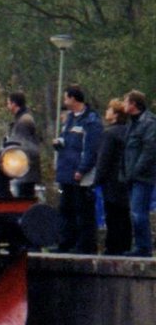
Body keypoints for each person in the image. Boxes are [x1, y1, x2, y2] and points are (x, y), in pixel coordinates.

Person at [54, 84, 102, 254]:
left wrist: (82, 169)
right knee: (66, 209)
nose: (64, 101)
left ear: (73, 99)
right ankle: (66, 242)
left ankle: (85, 246)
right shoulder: (71, 119)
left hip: (80, 174)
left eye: (66, 97)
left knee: (83, 211)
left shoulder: (91, 121)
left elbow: (91, 149)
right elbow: (67, 139)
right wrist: (59, 143)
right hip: (66, 172)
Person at [122, 90, 156, 257]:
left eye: (126, 101)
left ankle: (143, 247)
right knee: (135, 212)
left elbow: (149, 150)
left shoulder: (148, 123)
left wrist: (135, 171)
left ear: (133, 104)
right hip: (131, 175)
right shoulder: (132, 123)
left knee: (138, 213)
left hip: (142, 176)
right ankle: (140, 245)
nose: (123, 105)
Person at [96, 98, 133, 255]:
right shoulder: (130, 131)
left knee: (112, 214)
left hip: (112, 180)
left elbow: (104, 160)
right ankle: (126, 245)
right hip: (126, 179)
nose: (106, 112)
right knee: (125, 214)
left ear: (116, 114)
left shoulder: (109, 134)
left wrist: (97, 180)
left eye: (109, 109)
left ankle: (112, 246)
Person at [4, 92, 41, 199]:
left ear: (14, 104)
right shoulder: (22, 119)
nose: (8, 106)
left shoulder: (24, 121)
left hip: (25, 170)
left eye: (8, 103)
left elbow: (20, 144)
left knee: (24, 197)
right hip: (26, 168)